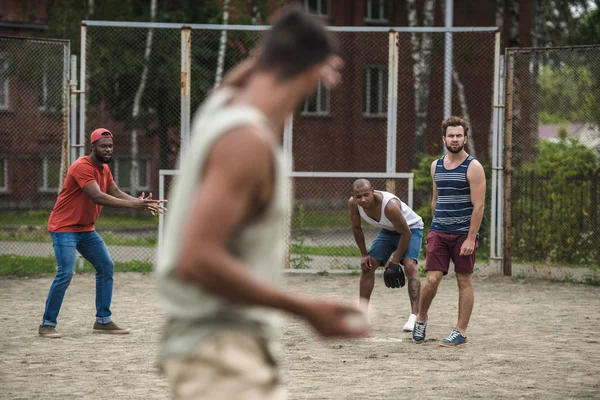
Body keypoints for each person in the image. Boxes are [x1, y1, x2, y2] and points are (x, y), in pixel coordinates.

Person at [156, 5, 369, 400]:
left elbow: (242, 75)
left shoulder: (221, 106)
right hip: (221, 355)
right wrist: (307, 310)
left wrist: (288, 47)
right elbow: (197, 257)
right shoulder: (247, 143)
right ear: (313, 73)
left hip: (214, 351)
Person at [38, 128, 167, 338]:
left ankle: (103, 321)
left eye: (110, 146)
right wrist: (135, 206)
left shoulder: (104, 169)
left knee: (106, 266)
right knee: (66, 272)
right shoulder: (82, 167)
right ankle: (47, 324)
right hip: (64, 228)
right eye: (103, 146)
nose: (108, 149)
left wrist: (138, 201)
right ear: (93, 147)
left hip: (86, 229)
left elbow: (114, 191)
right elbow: (98, 197)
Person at [412, 116, 486, 347]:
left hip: (463, 234)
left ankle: (460, 331)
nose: (455, 139)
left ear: (465, 138)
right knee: (431, 279)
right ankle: (421, 318)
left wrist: (471, 238)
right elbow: (436, 199)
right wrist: (437, 225)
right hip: (439, 232)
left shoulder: (473, 167)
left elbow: (479, 205)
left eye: (459, 135)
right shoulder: (436, 165)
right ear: (444, 138)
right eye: (451, 136)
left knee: (464, 281)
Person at [348, 179, 424, 332]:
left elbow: (405, 233)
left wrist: (395, 261)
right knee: (367, 267)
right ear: (353, 196)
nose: (363, 200)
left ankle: (415, 316)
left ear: (373, 191)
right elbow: (357, 229)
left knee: (409, 266)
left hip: (411, 229)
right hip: (388, 230)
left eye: (366, 195)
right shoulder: (353, 204)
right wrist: (364, 255)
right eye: (359, 197)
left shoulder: (389, 206)